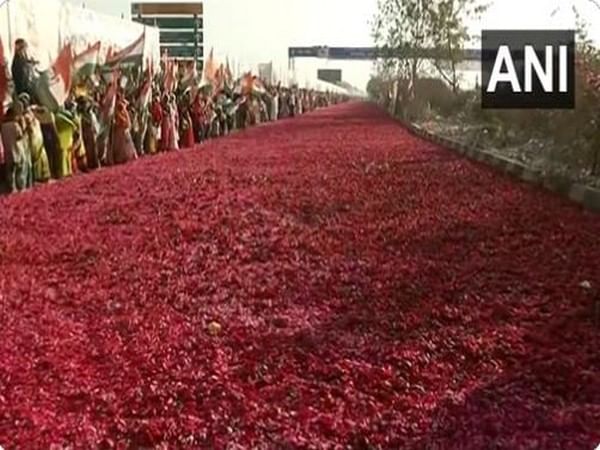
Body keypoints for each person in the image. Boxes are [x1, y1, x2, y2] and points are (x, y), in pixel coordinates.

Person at [1, 103, 28, 192]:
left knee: (10, 171)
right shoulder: (15, 125)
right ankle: (20, 187)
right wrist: (24, 130)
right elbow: (19, 136)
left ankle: (12, 188)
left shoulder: (3, 126)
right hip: (17, 150)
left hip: (8, 151)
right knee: (19, 170)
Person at [112, 93, 137, 164]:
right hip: (119, 128)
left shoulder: (120, 106)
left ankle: (125, 157)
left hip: (122, 128)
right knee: (120, 144)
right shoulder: (116, 106)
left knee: (124, 144)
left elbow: (124, 117)